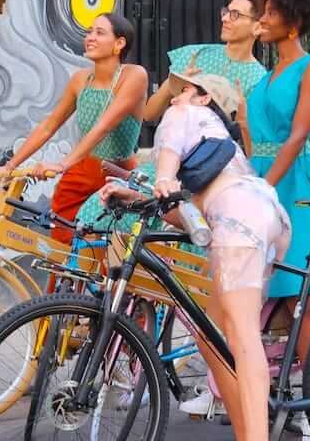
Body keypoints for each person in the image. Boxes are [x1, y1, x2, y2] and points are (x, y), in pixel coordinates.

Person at [98, 71, 290, 441]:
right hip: (259, 215)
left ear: (205, 99)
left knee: (241, 334)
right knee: (209, 333)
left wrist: (165, 177)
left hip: (240, 222)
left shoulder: (186, 116)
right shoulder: (216, 140)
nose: (173, 98)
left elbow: (167, 162)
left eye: (184, 91)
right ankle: (247, 429)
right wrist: (139, 197)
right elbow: (190, 211)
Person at [0, 13, 147, 242]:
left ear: (119, 43)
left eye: (99, 33)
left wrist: (62, 164)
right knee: (60, 249)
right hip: (81, 171)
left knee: (107, 251)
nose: (90, 37)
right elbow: (49, 126)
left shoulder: (134, 75)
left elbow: (102, 127)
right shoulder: (80, 80)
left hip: (117, 175)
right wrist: (11, 165)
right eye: (89, 31)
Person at [245, 0, 310, 393]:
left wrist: (265, 185)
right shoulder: (265, 74)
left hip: (292, 186)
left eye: (271, 12)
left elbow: (297, 135)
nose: (263, 17)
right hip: (260, 177)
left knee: (301, 297)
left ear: (293, 24)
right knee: (252, 291)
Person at [143, 0, 265, 123]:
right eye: (226, 12)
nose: (224, 18)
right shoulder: (196, 54)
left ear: (257, 27)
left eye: (235, 14)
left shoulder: (259, 79)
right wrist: (176, 81)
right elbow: (148, 114)